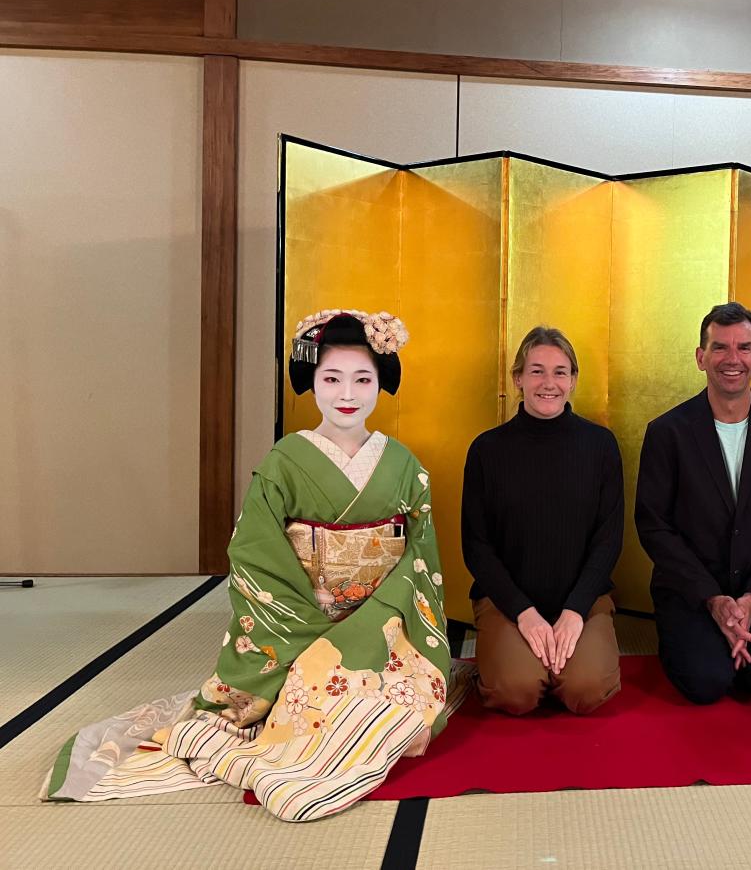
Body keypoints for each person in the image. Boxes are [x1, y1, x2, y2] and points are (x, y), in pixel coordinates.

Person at [43, 309, 463, 821]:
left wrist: (371, 622)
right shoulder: (285, 462)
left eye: (362, 379)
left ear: (382, 385)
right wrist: (318, 627)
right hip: (299, 620)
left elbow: (419, 556)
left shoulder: (402, 465)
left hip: (383, 623)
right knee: (316, 693)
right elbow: (256, 555)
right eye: (331, 378)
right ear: (311, 382)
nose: (346, 394)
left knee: (400, 705)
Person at [635, 302, 751, 705]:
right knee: (706, 683)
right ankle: (715, 648)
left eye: (743, 347)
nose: (732, 359)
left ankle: (744, 649)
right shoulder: (667, 433)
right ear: (701, 357)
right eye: (719, 348)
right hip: (692, 591)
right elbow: (653, 524)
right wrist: (713, 598)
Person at [462, 325, 623, 715]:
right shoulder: (487, 449)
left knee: (584, 691)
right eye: (536, 371)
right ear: (518, 378)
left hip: (582, 599)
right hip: (509, 602)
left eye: (559, 372)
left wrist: (574, 612)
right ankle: (525, 659)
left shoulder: (600, 445)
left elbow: (608, 540)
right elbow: (476, 547)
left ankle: (560, 661)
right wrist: (525, 614)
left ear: (573, 380)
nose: (548, 383)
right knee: (516, 692)